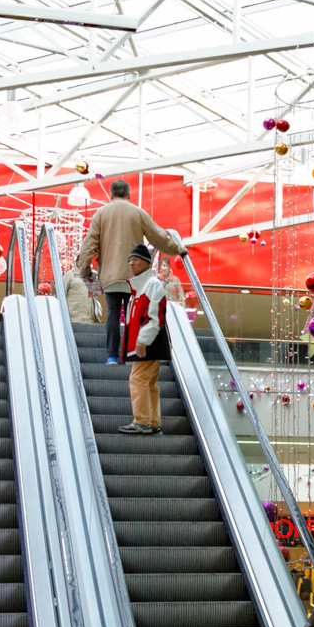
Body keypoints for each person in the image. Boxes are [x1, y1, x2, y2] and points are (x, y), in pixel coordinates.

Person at [76, 179, 187, 367]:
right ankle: (129, 354)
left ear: (110, 195)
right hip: (133, 276)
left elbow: (89, 243)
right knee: (132, 314)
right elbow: (157, 235)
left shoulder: (101, 214)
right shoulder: (137, 212)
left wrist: (84, 268)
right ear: (129, 194)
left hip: (110, 276)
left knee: (112, 313)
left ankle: (112, 356)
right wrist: (178, 249)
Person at [116, 244, 173, 436]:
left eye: (136, 260)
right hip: (151, 341)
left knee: (138, 379)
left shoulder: (151, 285)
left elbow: (155, 316)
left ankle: (142, 421)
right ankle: (153, 422)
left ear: (147, 263)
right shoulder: (142, 286)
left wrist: (142, 340)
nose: (131, 263)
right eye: (130, 260)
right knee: (149, 382)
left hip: (149, 342)